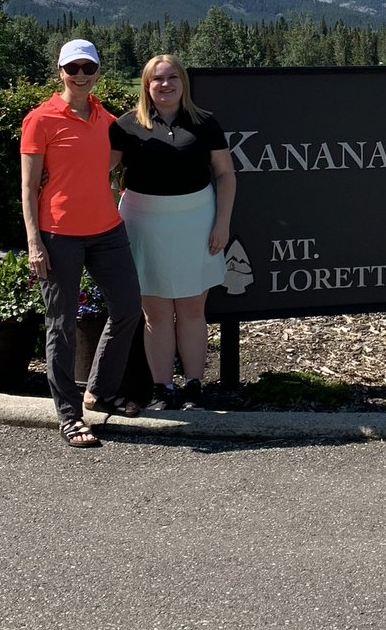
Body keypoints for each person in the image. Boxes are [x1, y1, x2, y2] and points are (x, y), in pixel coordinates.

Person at [20, 39, 143, 448]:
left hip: (107, 229)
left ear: (97, 72)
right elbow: (28, 186)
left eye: (87, 68)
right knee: (62, 327)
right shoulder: (40, 119)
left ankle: (100, 391)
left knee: (128, 309)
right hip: (58, 235)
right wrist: (34, 241)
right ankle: (70, 417)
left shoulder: (106, 119)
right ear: (60, 72)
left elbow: (111, 160)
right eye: (72, 68)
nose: (80, 76)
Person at [109, 54, 236, 410]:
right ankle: (163, 388)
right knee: (157, 312)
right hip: (143, 224)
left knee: (194, 309)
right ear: (146, 86)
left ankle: (195, 387)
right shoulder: (125, 126)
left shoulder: (205, 123)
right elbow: (99, 171)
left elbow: (225, 175)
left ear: (183, 83)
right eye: (157, 79)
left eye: (172, 78)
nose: (165, 85)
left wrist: (222, 222)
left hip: (197, 222)